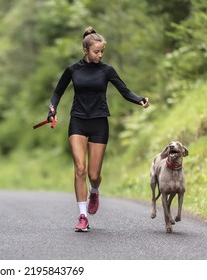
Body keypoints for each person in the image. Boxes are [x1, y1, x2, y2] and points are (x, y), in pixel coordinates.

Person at [47, 26, 150, 232]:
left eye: (102, 51)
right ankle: (82, 216)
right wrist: (52, 108)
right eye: (96, 51)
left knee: (94, 175)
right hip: (78, 121)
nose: (100, 55)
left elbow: (124, 90)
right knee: (80, 169)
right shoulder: (72, 70)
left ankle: (94, 190)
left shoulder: (107, 70)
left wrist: (140, 100)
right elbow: (57, 93)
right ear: (86, 50)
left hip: (99, 123)